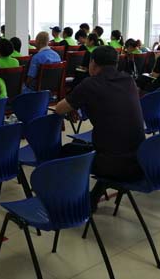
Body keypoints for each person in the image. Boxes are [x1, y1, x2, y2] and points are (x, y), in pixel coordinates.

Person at [55, 46, 145, 208]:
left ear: (93, 63)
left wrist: (74, 105)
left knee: (68, 151)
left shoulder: (91, 84)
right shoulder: (128, 80)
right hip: (139, 160)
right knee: (101, 146)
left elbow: (59, 109)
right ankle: (92, 199)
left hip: (114, 166)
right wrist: (76, 105)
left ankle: (73, 203)